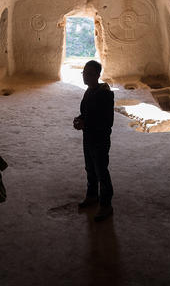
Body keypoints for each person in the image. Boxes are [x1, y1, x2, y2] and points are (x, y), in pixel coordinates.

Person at [73, 60, 114, 221]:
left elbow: (106, 121)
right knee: (90, 168)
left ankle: (106, 204)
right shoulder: (89, 91)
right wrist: (80, 118)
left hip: (100, 139)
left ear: (97, 75)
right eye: (84, 72)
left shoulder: (104, 95)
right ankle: (92, 196)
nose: (85, 76)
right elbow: (86, 112)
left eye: (89, 73)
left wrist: (85, 123)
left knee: (101, 171)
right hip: (88, 137)